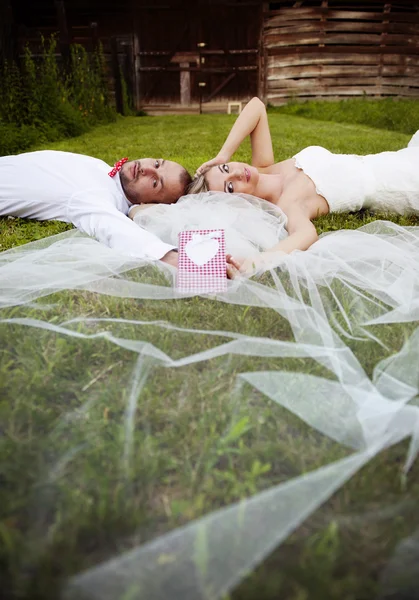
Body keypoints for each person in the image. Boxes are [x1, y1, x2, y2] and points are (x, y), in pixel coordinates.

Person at [186, 96, 419, 275]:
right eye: (230, 187)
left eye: (227, 169)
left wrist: (223, 155)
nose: (237, 173)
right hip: (400, 184)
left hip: (391, 159)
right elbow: (306, 234)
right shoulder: (287, 204)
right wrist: (258, 261)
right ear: (238, 202)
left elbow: (256, 106)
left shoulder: (266, 166)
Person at [0, 150, 192, 266]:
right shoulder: (105, 171)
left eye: (155, 182)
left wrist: (168, 257)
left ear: (148, 204)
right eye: (158, 163)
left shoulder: (99, 196)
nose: (147, 169)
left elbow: (114, 229)